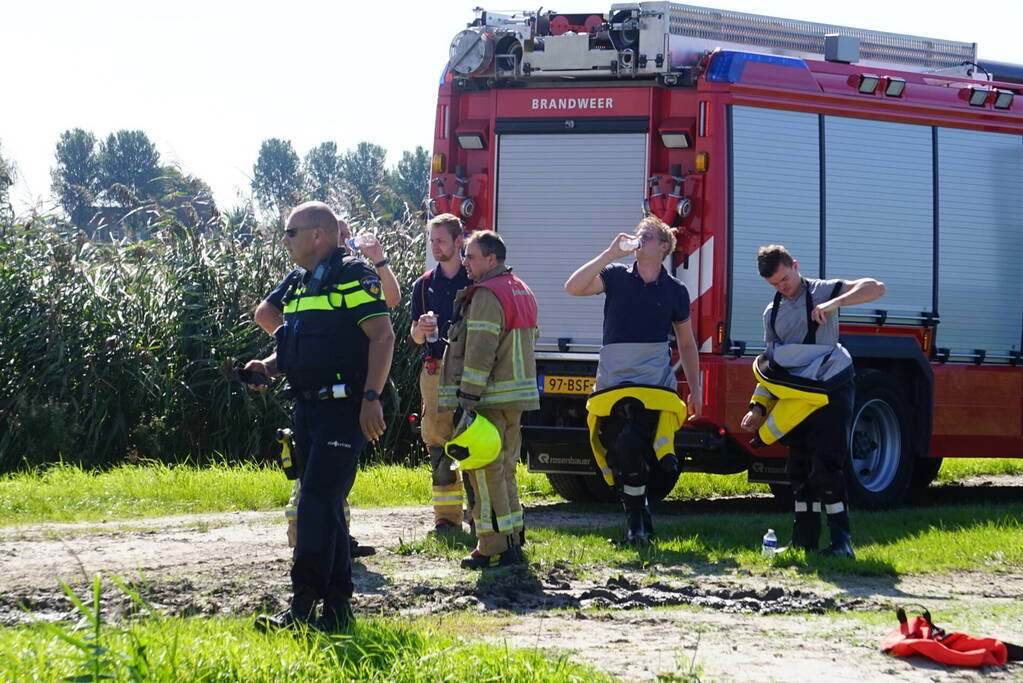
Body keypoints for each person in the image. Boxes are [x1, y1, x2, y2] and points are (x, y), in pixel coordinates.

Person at [245, 201, 394, 630]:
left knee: (315, 501)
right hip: (306, 406)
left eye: (291, 232)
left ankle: (303, 606)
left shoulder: (354, 275)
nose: (285, 240)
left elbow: (382, 336)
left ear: (318, 235)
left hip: (344, 408)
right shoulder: (300, 284)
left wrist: (371, 396)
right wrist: (268, 367)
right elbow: (298, 344)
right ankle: (336, 609)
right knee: (324, 507)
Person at [739, 245, 885, 558]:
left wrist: (834, 304)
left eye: (785, 278)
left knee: (827, 467)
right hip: (797, 397)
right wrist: (758, 408)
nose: (783, 287)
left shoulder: (822, 290)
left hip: (832, 390)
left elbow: (876, 287)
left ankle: (841, 543)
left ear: (794, 265)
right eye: (775, 284)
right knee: (799, 469)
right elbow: (773, 368)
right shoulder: (771, 313)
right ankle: (803, 541)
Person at [564, 216, 702, 544]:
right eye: (639, 234)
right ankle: (642, 517)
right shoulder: (615, 277)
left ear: (664, 247)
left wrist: (694, 390)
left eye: (648, 236)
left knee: (630, 445)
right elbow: (573, 287)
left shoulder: (675, 290)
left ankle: (636, 525)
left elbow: (686, 343)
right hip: (611, 382)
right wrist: (608, 254)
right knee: (618, 451)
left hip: (652, 383)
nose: (640, 239)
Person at [439, 230, 539, 569]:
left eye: (472, 256)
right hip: (517, 399)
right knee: (505, 470)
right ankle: (512, 539)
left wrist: (466, 400)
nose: (466, 262)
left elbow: (480, 351)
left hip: (489, 400)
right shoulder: (520, 288)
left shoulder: (486, 294)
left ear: (491, 260)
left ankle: (492, 547)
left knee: (484, 473)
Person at [409, 214, 472, 532]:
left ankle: (479, 516)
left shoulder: (475, 280)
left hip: (470, 370)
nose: (435, 247)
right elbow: (414, 337)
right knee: (437, 442)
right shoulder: (423, 285)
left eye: (441, 241)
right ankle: (447, 519)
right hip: (434, 371)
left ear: (459, 242)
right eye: (432, 241)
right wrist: (421, 329)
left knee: (473, 440)